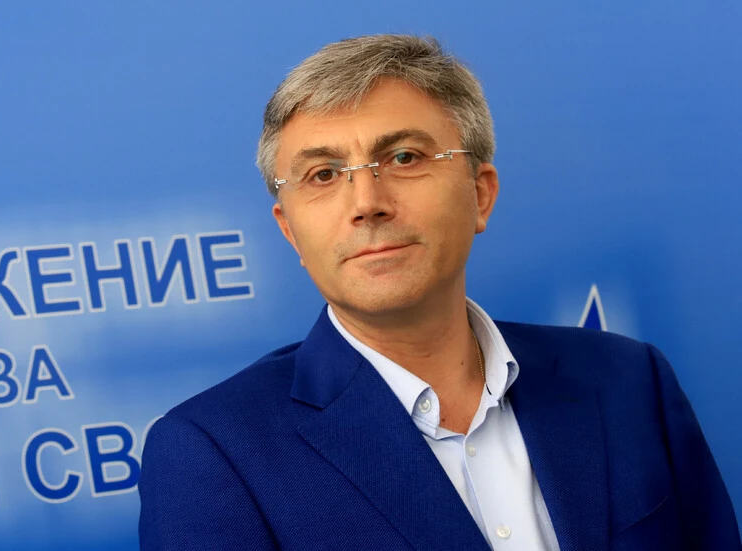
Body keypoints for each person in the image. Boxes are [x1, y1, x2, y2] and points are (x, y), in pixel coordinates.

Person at [137, 34, 740, 550]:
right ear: (290, 229)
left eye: (403, 157)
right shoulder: (212, 454)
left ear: (480, 194)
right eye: (323, 174)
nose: (367, 202)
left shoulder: (629, 379)